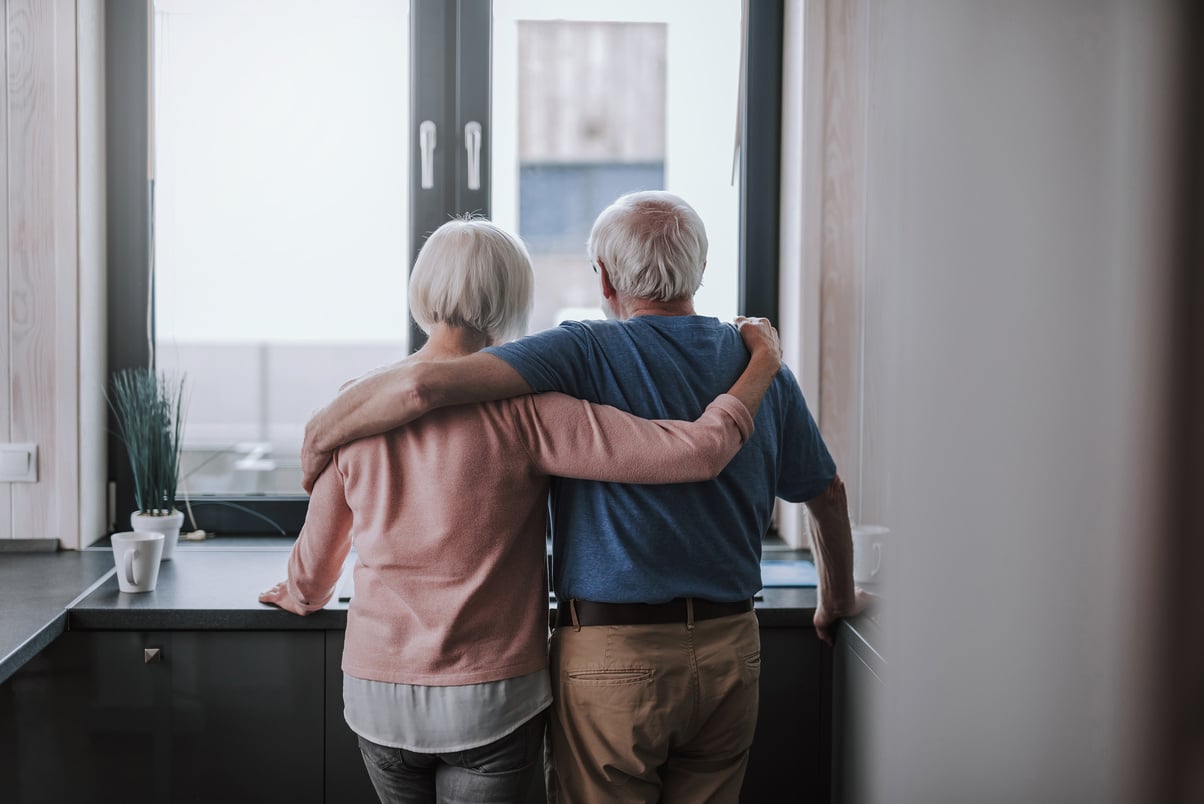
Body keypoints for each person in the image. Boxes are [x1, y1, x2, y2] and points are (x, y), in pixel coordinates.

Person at [299, 193, 871, 803]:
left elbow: (426, 387)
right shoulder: (762, 370)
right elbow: (826, 492)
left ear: (601, 276)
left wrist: (324, 433)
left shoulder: (582, 352)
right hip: (732, 648)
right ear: (699, 272)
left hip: (609, 657)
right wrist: (835, 597)